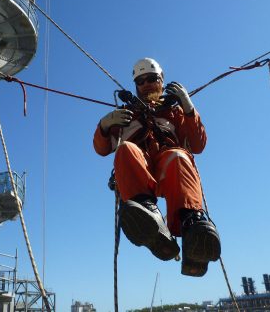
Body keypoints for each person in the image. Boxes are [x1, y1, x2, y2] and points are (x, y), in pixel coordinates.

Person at [93, 58, 221, 276]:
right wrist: (105, 125)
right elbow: (102, 149)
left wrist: (188, 108)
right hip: (139, 173)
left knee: (178, 156)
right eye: (140, 81)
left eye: (151, 79)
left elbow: (198, 144)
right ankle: (147, 215)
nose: (146, 85)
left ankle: (192, 226)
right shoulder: (126, 115)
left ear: (162, 80)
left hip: (169, 171)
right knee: (125, 150)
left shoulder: (175, 112)